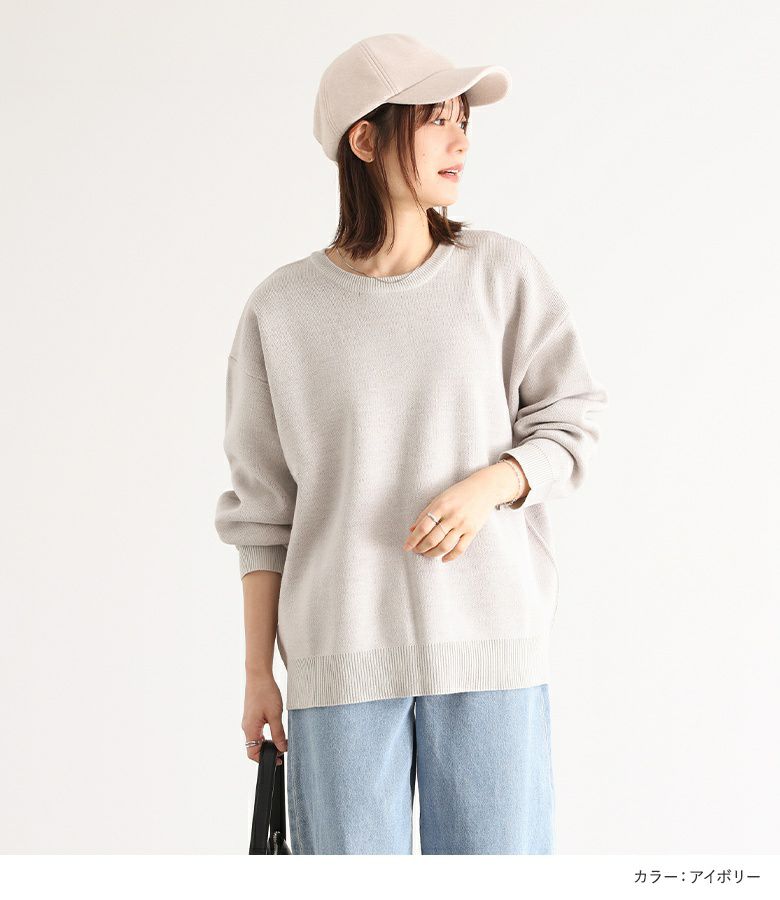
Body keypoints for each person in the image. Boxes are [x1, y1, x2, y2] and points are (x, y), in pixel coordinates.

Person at [214, 33, 609, 854]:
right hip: (340, 663)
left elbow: (572, 420)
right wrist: (258, 673)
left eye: (464, 121)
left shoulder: (502, 275)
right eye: (436, 121)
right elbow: (261, 514)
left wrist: (492, 483)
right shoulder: (281, 311)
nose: (460, 141)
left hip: (491, 654)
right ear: (365, 139)